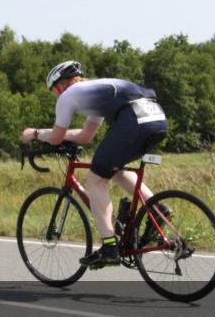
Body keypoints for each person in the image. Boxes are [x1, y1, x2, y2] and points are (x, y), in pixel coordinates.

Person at [20, 61, 169, 269]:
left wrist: (35, 134)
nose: (55, 96)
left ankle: (109, 246)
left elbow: (55, 137)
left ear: (59, 86)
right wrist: (56, 136)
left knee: (95, 179)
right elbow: (85, 135)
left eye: (52, 91)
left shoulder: (67, 96)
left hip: (133, 121)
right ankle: (156, 208)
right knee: (115, 169)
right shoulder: (98, 92)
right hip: (157, 119)